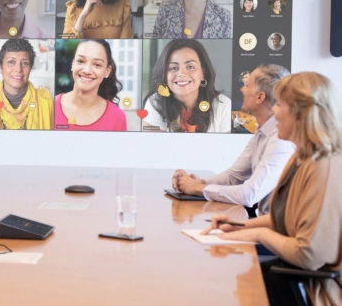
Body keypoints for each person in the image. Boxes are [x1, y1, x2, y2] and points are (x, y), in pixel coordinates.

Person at [203, 72, 342, 306]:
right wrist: (237, 226)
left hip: (315, 288)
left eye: (279, 104)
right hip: (296, 276)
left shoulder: (323, 167)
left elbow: (309, 255)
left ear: (300, 113)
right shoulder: (301, 158)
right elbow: (285, 218)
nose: (274, 111)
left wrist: (258, 234)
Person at [171, 65, 295, 213]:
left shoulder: (281, 138)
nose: (242, 89)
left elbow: (250, 194)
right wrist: (198, 182)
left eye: (247, 85)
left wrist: (197, 188)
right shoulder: (262, 131)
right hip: (263, 224)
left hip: (275, 230)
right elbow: (233, 176)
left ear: (260, 97)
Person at [142, 39, 231, 133]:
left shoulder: (223, 105)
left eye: (190, 67)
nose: (181, 73)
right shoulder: (156, 102)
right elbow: (153, 146)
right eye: (174, 68)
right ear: (164, 75)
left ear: (203, 73)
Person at [0, 39, 53, 129]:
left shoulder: (46, 101)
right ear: (1, 68)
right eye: (11, 62)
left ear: (30, 68)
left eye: (25, 63)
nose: (18, 69)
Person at [55, 40, 127, 131]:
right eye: (81, 61)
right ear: (73, 64)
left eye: (97, 64)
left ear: (107, 71)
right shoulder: (48, 107)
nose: (87, 70)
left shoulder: (118, 117)